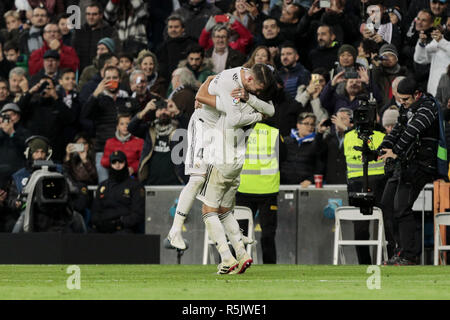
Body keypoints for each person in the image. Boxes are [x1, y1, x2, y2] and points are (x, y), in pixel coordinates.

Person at [166, 65, 275, 268]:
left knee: (216, 207)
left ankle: (231, 252)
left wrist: (207, 93)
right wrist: (259, 113)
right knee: (200, 181)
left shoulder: (241, 89)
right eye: (258, 89)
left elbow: (208, 91)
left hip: (221, 143)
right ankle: (175, 232)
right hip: (205, 126)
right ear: (251, 79)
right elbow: (241, 110)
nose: (257, 93)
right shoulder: (234, 87)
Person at [379, 78, 443, 265]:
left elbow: (412, 131)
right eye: (400, 100)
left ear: (417, 94)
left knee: (401, 207)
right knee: (387, 205)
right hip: (405, 162)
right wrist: (383, 148)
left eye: (405, 99)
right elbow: (398, 130)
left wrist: (395, 151)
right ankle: (399, 251)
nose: (403, 103)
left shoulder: (428, 107)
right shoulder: (408, 108)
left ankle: (409, 254)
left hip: (421, 164)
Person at [236, 120, 285, 264]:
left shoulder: (237, 131)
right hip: (267, 190)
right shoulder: (273, 132)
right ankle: (269, 266)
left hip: (243, 190)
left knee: (239, 234)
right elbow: (283, 156)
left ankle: (237, 264)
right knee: (268, 234)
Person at [81, 66, 140, 183]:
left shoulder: (127, 100)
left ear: (120, 79)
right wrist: (95, 93)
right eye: (108, 78)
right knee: (104, 184)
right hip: (103, 149)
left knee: (126, 185)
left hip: (126, 148)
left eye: (115, 77)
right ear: (103, 80)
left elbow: (137, 122)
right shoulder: (98, 99)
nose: (112, 80)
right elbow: (84, 114)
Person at [343, 114, 386, 265]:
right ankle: (386, 259)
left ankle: (366, 263)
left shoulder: (347, 136)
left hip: (359, 185)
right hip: (378, 184)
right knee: (383, 225)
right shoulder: (381, 136)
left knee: (362, 228)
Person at [127, 98, 187, 186]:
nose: (163, 112)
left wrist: (176, 111)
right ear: (155, 113)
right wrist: (145, 110)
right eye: (160, 109)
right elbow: (131, 128)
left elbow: (191, 129)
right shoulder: (149, 129)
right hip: (151, 181)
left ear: (171, 112)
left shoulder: (179, 129)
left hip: (175, 181)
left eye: (166, 109)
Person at [18, 76, 77, 162]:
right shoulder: (32, 104)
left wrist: (56, 97)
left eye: (48, 86)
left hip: (55, 152)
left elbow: (70, 119)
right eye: (42, 85)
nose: (45, 89)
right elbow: (18, 110)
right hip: (33, 152)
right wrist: (30, 92)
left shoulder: (58, 104)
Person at [91, 150, 145, 234]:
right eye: (114, 162)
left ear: (125, 163)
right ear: (110, 165)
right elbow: (95, 211)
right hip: (104, 226)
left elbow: (138, 214)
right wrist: (100, 223)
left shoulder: (135, 186)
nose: (117, 165)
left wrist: (119, 224)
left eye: (120, 161)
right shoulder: (102, 186)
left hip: (125, 227)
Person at [71, 2, 120, 73]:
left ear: (101, 15)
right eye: (88, 14)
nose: (91, 17)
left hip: (103, 72)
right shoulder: (78, 31)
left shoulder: (110, 32)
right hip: (81, 72)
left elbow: (116, 53)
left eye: (94, 14)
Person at [280, 112, 325, 186]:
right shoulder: (286, 141)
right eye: (306, 123)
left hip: (305, 186)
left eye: (312, 124)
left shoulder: (317, 143)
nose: (310, 127)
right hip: (284, 184)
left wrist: (310, 180)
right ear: (298, 125)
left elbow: (320, 166)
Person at [156, 14, 197, 85]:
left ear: (183, 28)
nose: (173, 30)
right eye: (170, 27)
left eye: (176, 27)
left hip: (189, 83)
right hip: (167, 85)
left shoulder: (192, 44)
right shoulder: (161, 48)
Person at [414, 19, 450, 96]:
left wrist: (441, 42)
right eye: (448, 24)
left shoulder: (441, 40)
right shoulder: (438, 40)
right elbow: (421, 59)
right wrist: (422, 44)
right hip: (433, 92)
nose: (448, 26)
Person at [101, 114, 144, 178]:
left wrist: (133, 168)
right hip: (115, 176)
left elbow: (143, 161)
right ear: (117, 126)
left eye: (127, 123)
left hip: (132, 177)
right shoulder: (110, 142)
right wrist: (117, 164)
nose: (125, 126)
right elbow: (104, 162)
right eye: (122, 124)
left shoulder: (139, 142)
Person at [321, 107, 353, 184]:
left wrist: (345, 129)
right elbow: (318, 154)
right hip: (331, 182)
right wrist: (319, 134)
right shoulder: (329, 137)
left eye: (342, 119)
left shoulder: (355, 137)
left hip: (349, 182)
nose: (338, 122)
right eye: (337, 119)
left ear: (351, 122)